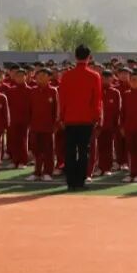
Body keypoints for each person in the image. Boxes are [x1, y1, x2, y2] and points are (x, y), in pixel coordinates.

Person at [58, 45, 103, 191]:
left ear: (75, 56)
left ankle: (71, 181)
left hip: (70, 118)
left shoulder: (66, 76)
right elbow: (96, 100)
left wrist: (61, 117)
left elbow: (62, 99)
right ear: (89, 57)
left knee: (70, 151)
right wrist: (97, 117)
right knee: (84, 151)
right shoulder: (94, 76)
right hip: (86, 119)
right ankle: (80, 181)